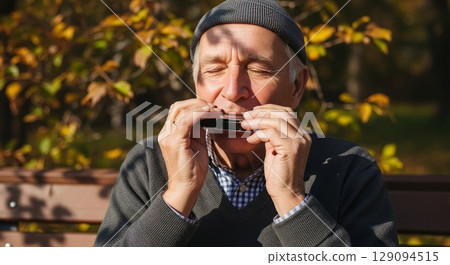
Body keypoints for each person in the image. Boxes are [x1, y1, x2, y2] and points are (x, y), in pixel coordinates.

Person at [94, 0, 398, 247]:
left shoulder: (349, 169)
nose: (232, 90)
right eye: (215, 69)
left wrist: (292, 200)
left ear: (296, 87)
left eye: (259, 69)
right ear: (195, 85)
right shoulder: (149, 164)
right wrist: (177, 196)